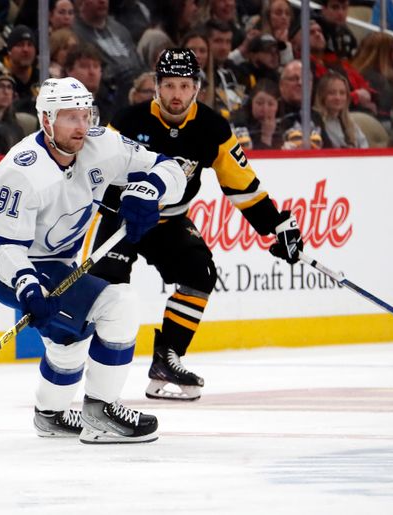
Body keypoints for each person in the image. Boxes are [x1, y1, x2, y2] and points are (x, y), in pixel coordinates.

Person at [0, 76, 187, 443]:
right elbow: (2, 246)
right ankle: (101, 411)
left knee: (69, 338)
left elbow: (173, 167)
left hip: (57, 262)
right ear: (46, 121)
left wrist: (150, 190)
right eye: (70, 117)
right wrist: (26, 284)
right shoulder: (21, 170)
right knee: (118, 306)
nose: (82, 126)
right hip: (6, 267)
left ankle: (51, 415)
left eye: (86, 115)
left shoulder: (103, 145)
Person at [89, 49, 304, 401]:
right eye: (169, 85)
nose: (176, 94)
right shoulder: (127, 121)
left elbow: (242, 185)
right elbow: (95, 176)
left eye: (185, 86)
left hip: (169, 222)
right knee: (107, 294)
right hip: (121, 219)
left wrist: (276, 225)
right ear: (156, 86)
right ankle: (85, 366)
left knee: (200, 273)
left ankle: (166, 359)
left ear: (197, 88)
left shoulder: (212, 127)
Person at [313, 72, 369, 148]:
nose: (338, 98)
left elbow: (364, 148)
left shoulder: (349, 123)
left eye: (342, 93)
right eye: (332, 93)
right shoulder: (315, 122)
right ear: (322, 96)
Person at [230, 78, 283, 149]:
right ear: (251, 103)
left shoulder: (284, 124)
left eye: (270, 104)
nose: (265, 109)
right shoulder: (238, 124)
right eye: (259, 103)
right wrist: (266, 136)